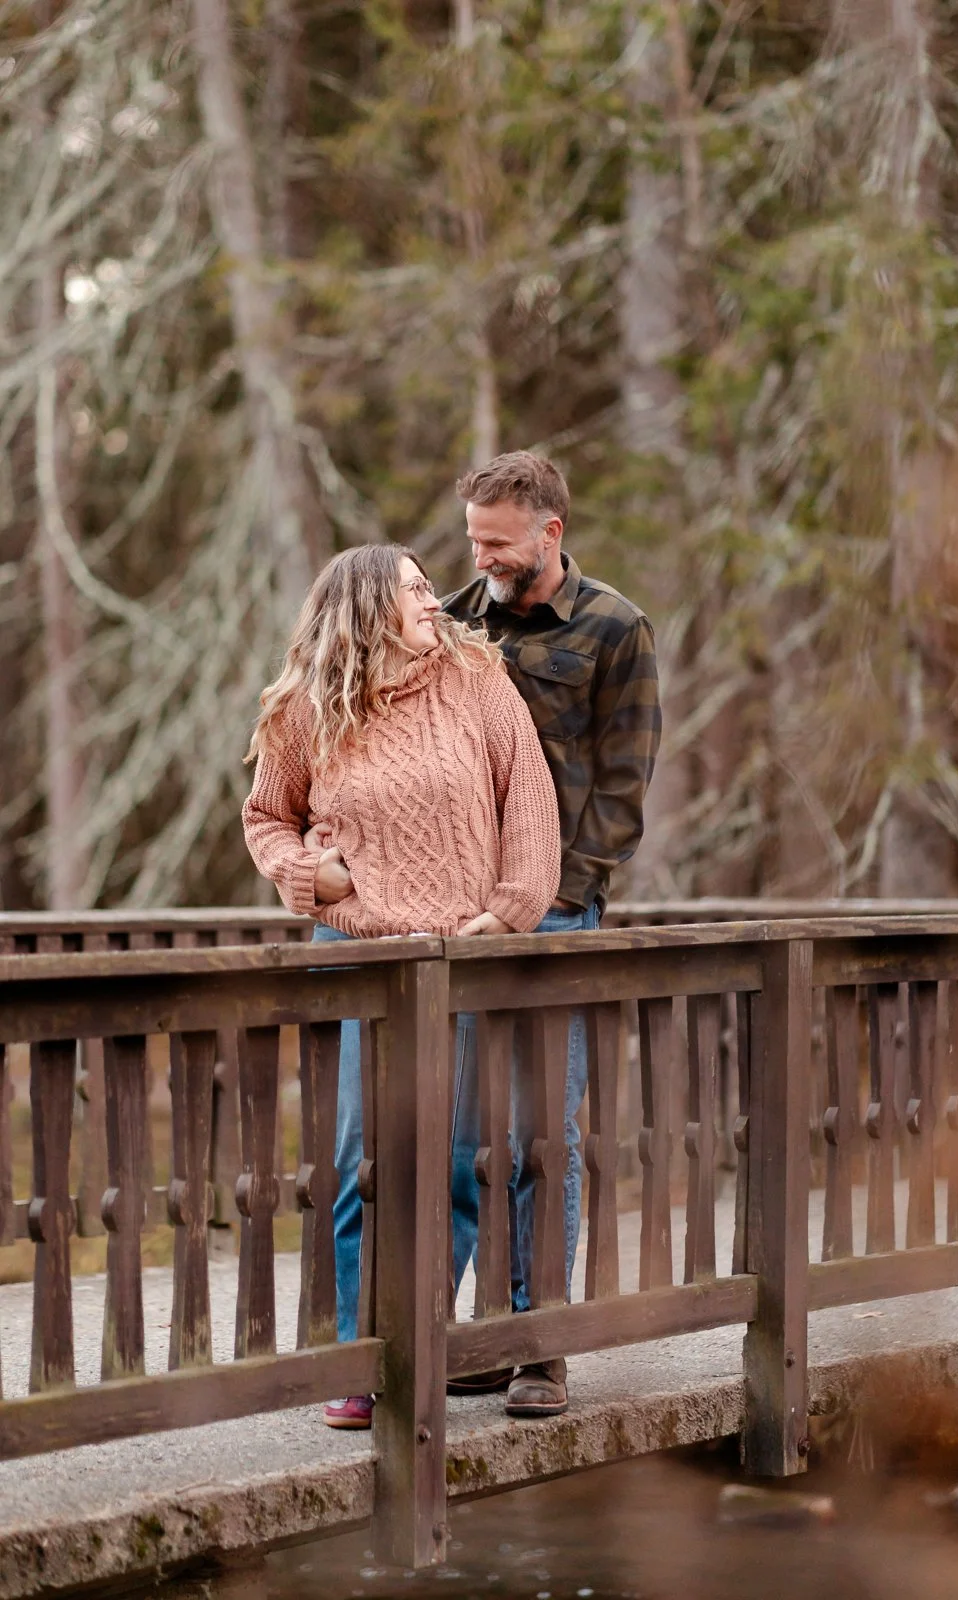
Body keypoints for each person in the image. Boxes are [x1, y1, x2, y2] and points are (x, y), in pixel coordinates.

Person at [242, 543, 560, 1430]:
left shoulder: (474, 676)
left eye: (429, 586)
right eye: (415, 589)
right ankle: (360, 1358)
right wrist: (309, 876)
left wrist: (512, 907)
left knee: (457, 1162)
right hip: (365, 960)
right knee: (362, 1164)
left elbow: (526, 796)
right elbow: (267, 816)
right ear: (368, 605)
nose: (434, 600)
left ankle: (418, 1340)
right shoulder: (309, 706)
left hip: (458, 957)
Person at [445, 450, 661, 1419]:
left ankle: (542, 1347)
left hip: (557, 918)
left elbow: (621, 794)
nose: (481, 556)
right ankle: (480, 1338)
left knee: (543, 1133)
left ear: (550, 532)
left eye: (497, 541)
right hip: (455, 916)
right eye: (472, 538)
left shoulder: (615, 628)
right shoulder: (451, 623)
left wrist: (549, 900)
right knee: (459, 1133)